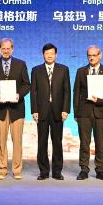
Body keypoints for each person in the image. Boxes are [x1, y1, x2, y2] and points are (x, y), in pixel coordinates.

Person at [0, 37, 30, 180]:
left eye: (8, 48)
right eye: (3, 48)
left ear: (12, 49)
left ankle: (17, 170)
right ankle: (2, 169)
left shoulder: (21, 64)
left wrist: (19, 95)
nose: (6, 51)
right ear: (0, 50)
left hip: (17, 109)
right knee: (1, 141)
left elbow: (26, 84)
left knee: (17, 141)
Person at [71, 45, 103, 181]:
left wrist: (100, 101)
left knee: (100, 143)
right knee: (84, 143)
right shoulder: (81, 71)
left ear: (100, 55)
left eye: (94, 55)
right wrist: (76, 113)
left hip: (101, 112)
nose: (91, 58)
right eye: (89, 55)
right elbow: (76, 92)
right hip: (84, 112)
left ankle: (100, 170)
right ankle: (84, 169)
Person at [30, 43, 71, 180]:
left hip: (58, 111)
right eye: (47, 53)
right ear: (43, 55)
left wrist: (65, 109)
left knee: (57, 142)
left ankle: (57, 172)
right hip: (41, 111)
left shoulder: (63, 69)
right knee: (42, 142)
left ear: (56, 55)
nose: (49, 55)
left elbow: (67, 91)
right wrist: (34, 110)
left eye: (52, 53)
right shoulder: (36, 70)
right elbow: (33, 91)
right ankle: (43, 171)